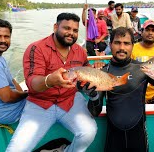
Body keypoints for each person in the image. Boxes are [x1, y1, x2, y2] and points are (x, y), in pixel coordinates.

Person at [6, 13, 97, 152]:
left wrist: (94, 74)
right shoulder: (36, 48)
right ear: (55, 27)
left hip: (70, 100)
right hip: (40, 104)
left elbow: (87, 71)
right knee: (16, 149)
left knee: (88, 132)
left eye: (75, 30)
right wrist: (49, 80)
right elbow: (32, 83)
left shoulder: (80, 51)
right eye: (67, 28)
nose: (71, 33)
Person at [85, 27, 154, 152]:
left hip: (138, 136)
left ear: (132, 46)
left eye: (126, 43)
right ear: (110, 44)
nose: (122, 48)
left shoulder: (143, 69)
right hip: (113, 138)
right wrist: (93, 96)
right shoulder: (103, 71)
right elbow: (95, 112)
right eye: (117, 43)